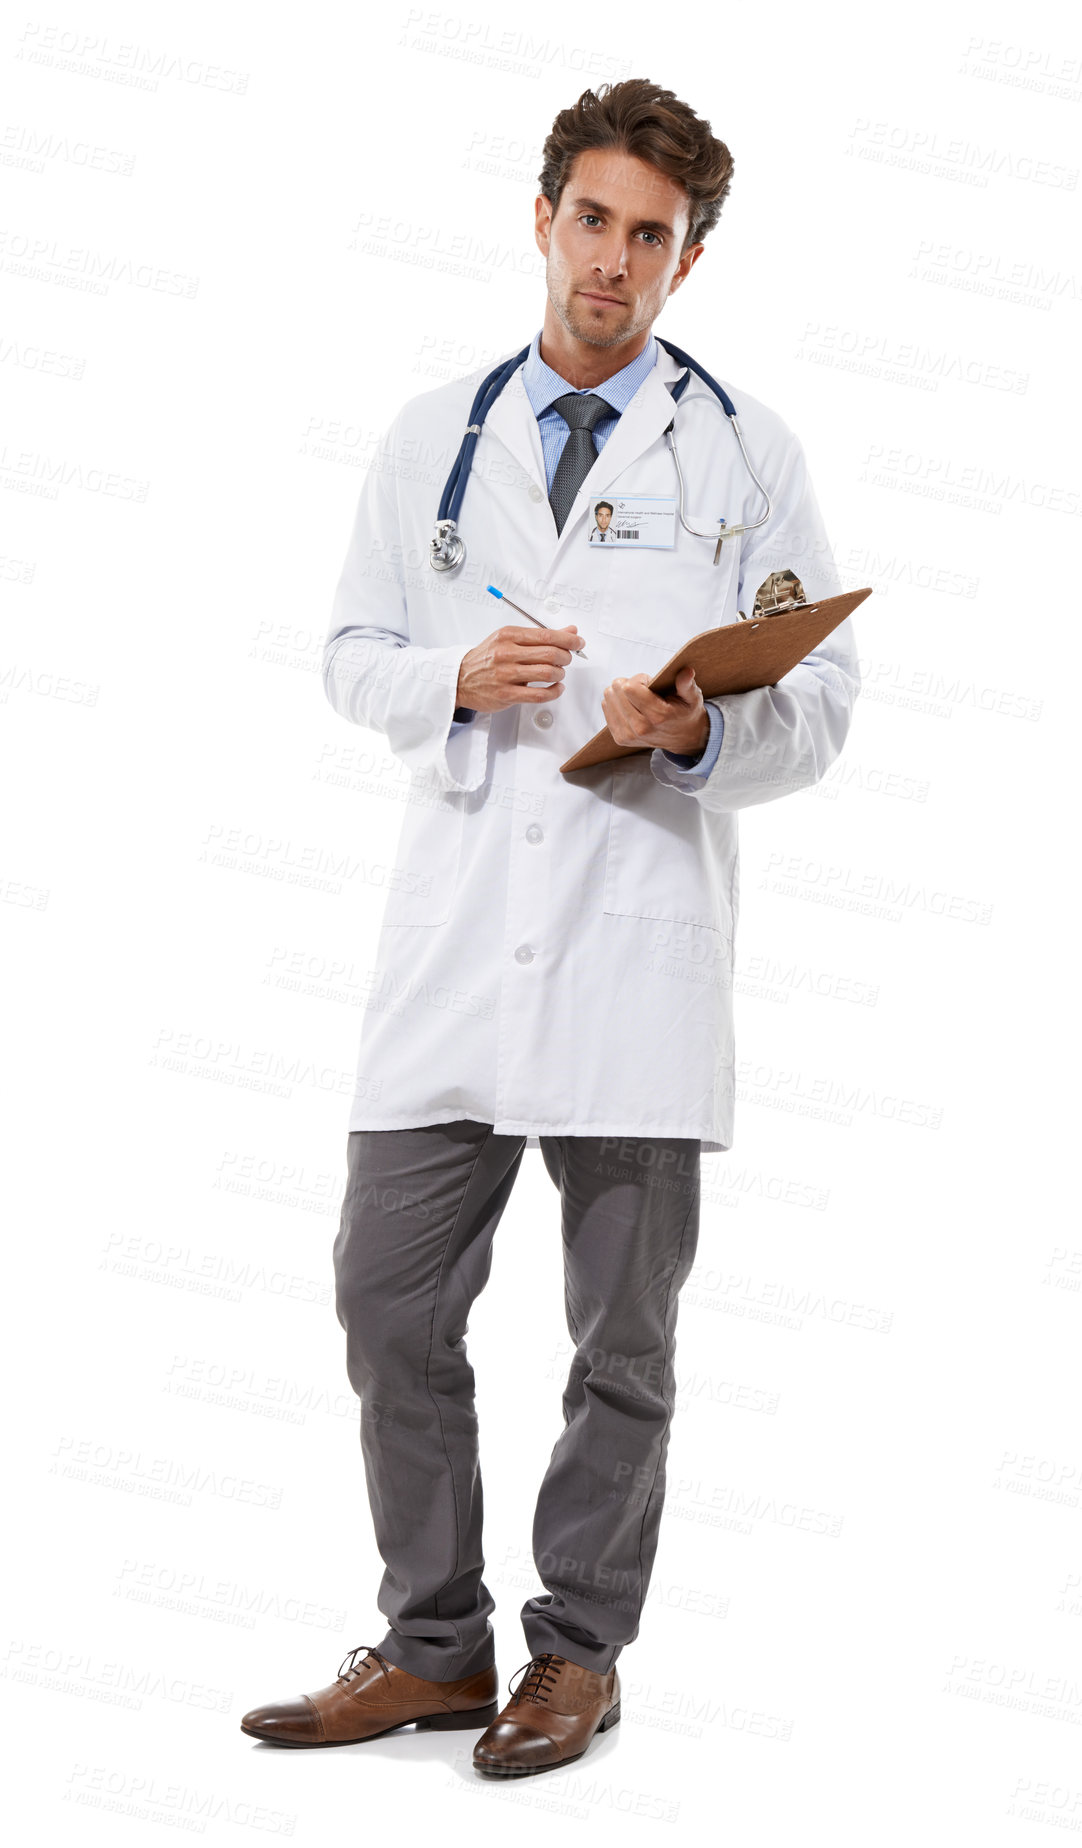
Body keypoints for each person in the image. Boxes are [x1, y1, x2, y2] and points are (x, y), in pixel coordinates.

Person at [241, 76, 860, 1778]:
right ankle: (433, 1645)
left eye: (651, 236)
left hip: (634, 947)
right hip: (453, 948)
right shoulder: (432, 432)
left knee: (624, 1343)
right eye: (591, 220)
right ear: (541, 219)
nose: (614, 260)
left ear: (689, 258)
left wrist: (697, 732)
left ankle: (574, 1655)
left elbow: (821, 705)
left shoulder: (748, 453)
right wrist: (449, 674)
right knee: (387, 1302)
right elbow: (350, 650)